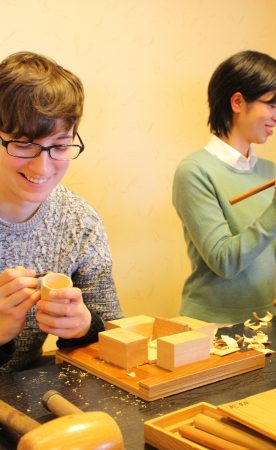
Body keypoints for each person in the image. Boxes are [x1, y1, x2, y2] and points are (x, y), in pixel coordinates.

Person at [173, 50, 276, 323]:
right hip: (210, 327)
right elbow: (225, 261)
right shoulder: (194, 171)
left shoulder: (267, 170)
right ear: (238, 102)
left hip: (265, 322)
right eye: (272, 105)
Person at [0, 51, 123, 373]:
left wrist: (84, 327)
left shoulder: (79, 222)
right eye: (23, 143)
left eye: (59, 146)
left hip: (26, 399)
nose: (42, 167)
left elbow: (115, 335)